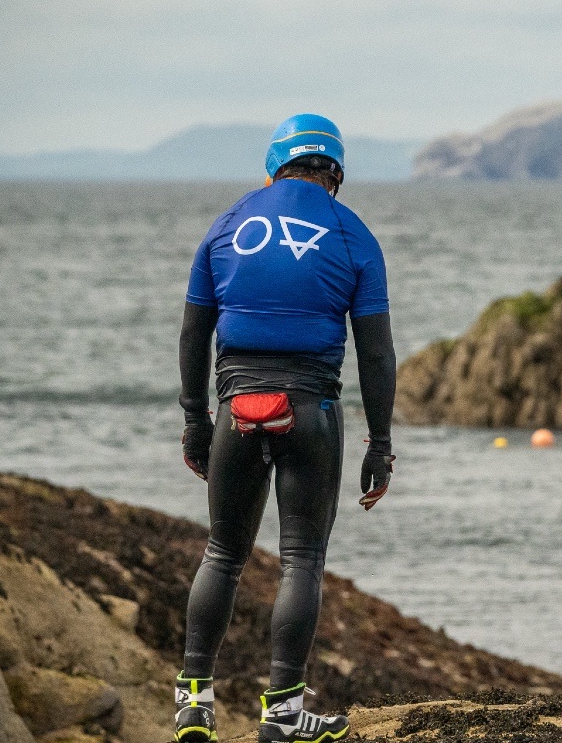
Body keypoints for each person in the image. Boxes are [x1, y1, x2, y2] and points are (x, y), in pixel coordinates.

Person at [172, 113, 397, 743]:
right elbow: (376, 354)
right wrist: (380, 447)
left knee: (223, 553)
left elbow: (195, 332)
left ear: (275, 164)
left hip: (235, 406)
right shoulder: (353, 235)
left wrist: (196, 421)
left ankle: (194, 704)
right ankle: (283, 714)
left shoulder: (226, 225)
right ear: (335, 172)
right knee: (302, 557)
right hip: (310, 410)